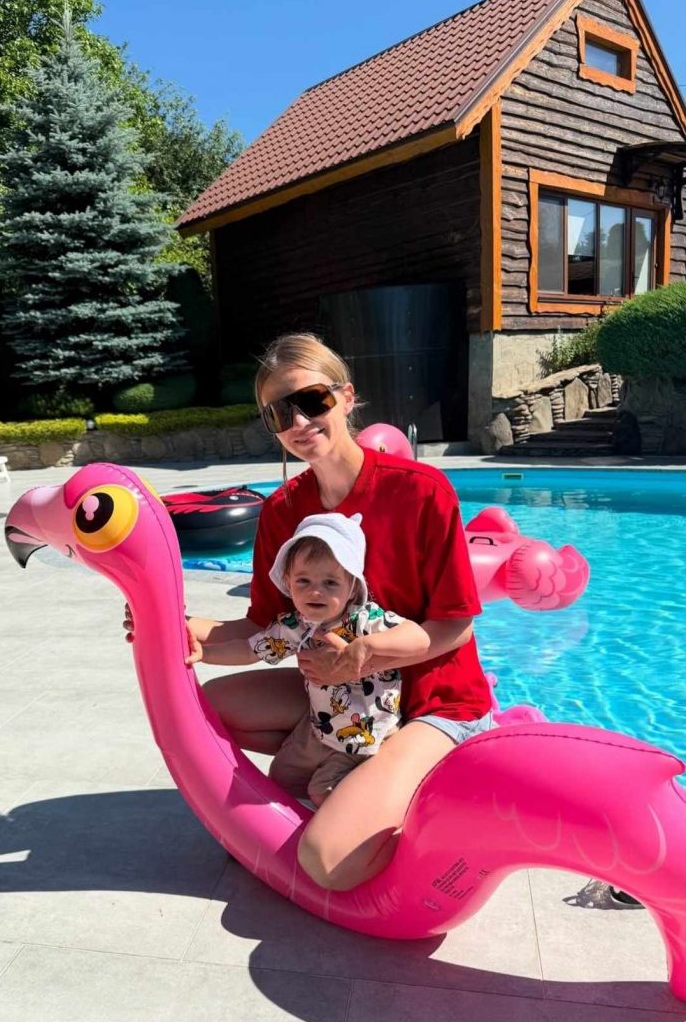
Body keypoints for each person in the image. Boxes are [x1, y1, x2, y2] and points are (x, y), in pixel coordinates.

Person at [124, 332, 494, 891]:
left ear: (346, 397)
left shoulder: (421, 491)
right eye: (279, 413)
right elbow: (261, 626)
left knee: (328, 861)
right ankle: (343, 758)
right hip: (342, 695)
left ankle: (405, 780)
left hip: (434, 703)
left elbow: (454, 626)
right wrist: (166, 624)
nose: (298, 421)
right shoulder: (282, 510)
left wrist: (361, 656)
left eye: (312, 400)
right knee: (202, 710)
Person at [185, 511, 431, 808]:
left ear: (352, 587)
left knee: (323, 790)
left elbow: (419, 638)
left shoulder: (365, 620)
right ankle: (291, 828)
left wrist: (367, 646)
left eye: (330, 583)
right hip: (319, 728)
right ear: (288, 583)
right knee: (282, 777)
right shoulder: (296, 626)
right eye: (304, 581)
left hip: (365, 737)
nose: (316, 591)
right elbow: (250, 649)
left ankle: (363, 815)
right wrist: (207, 653)